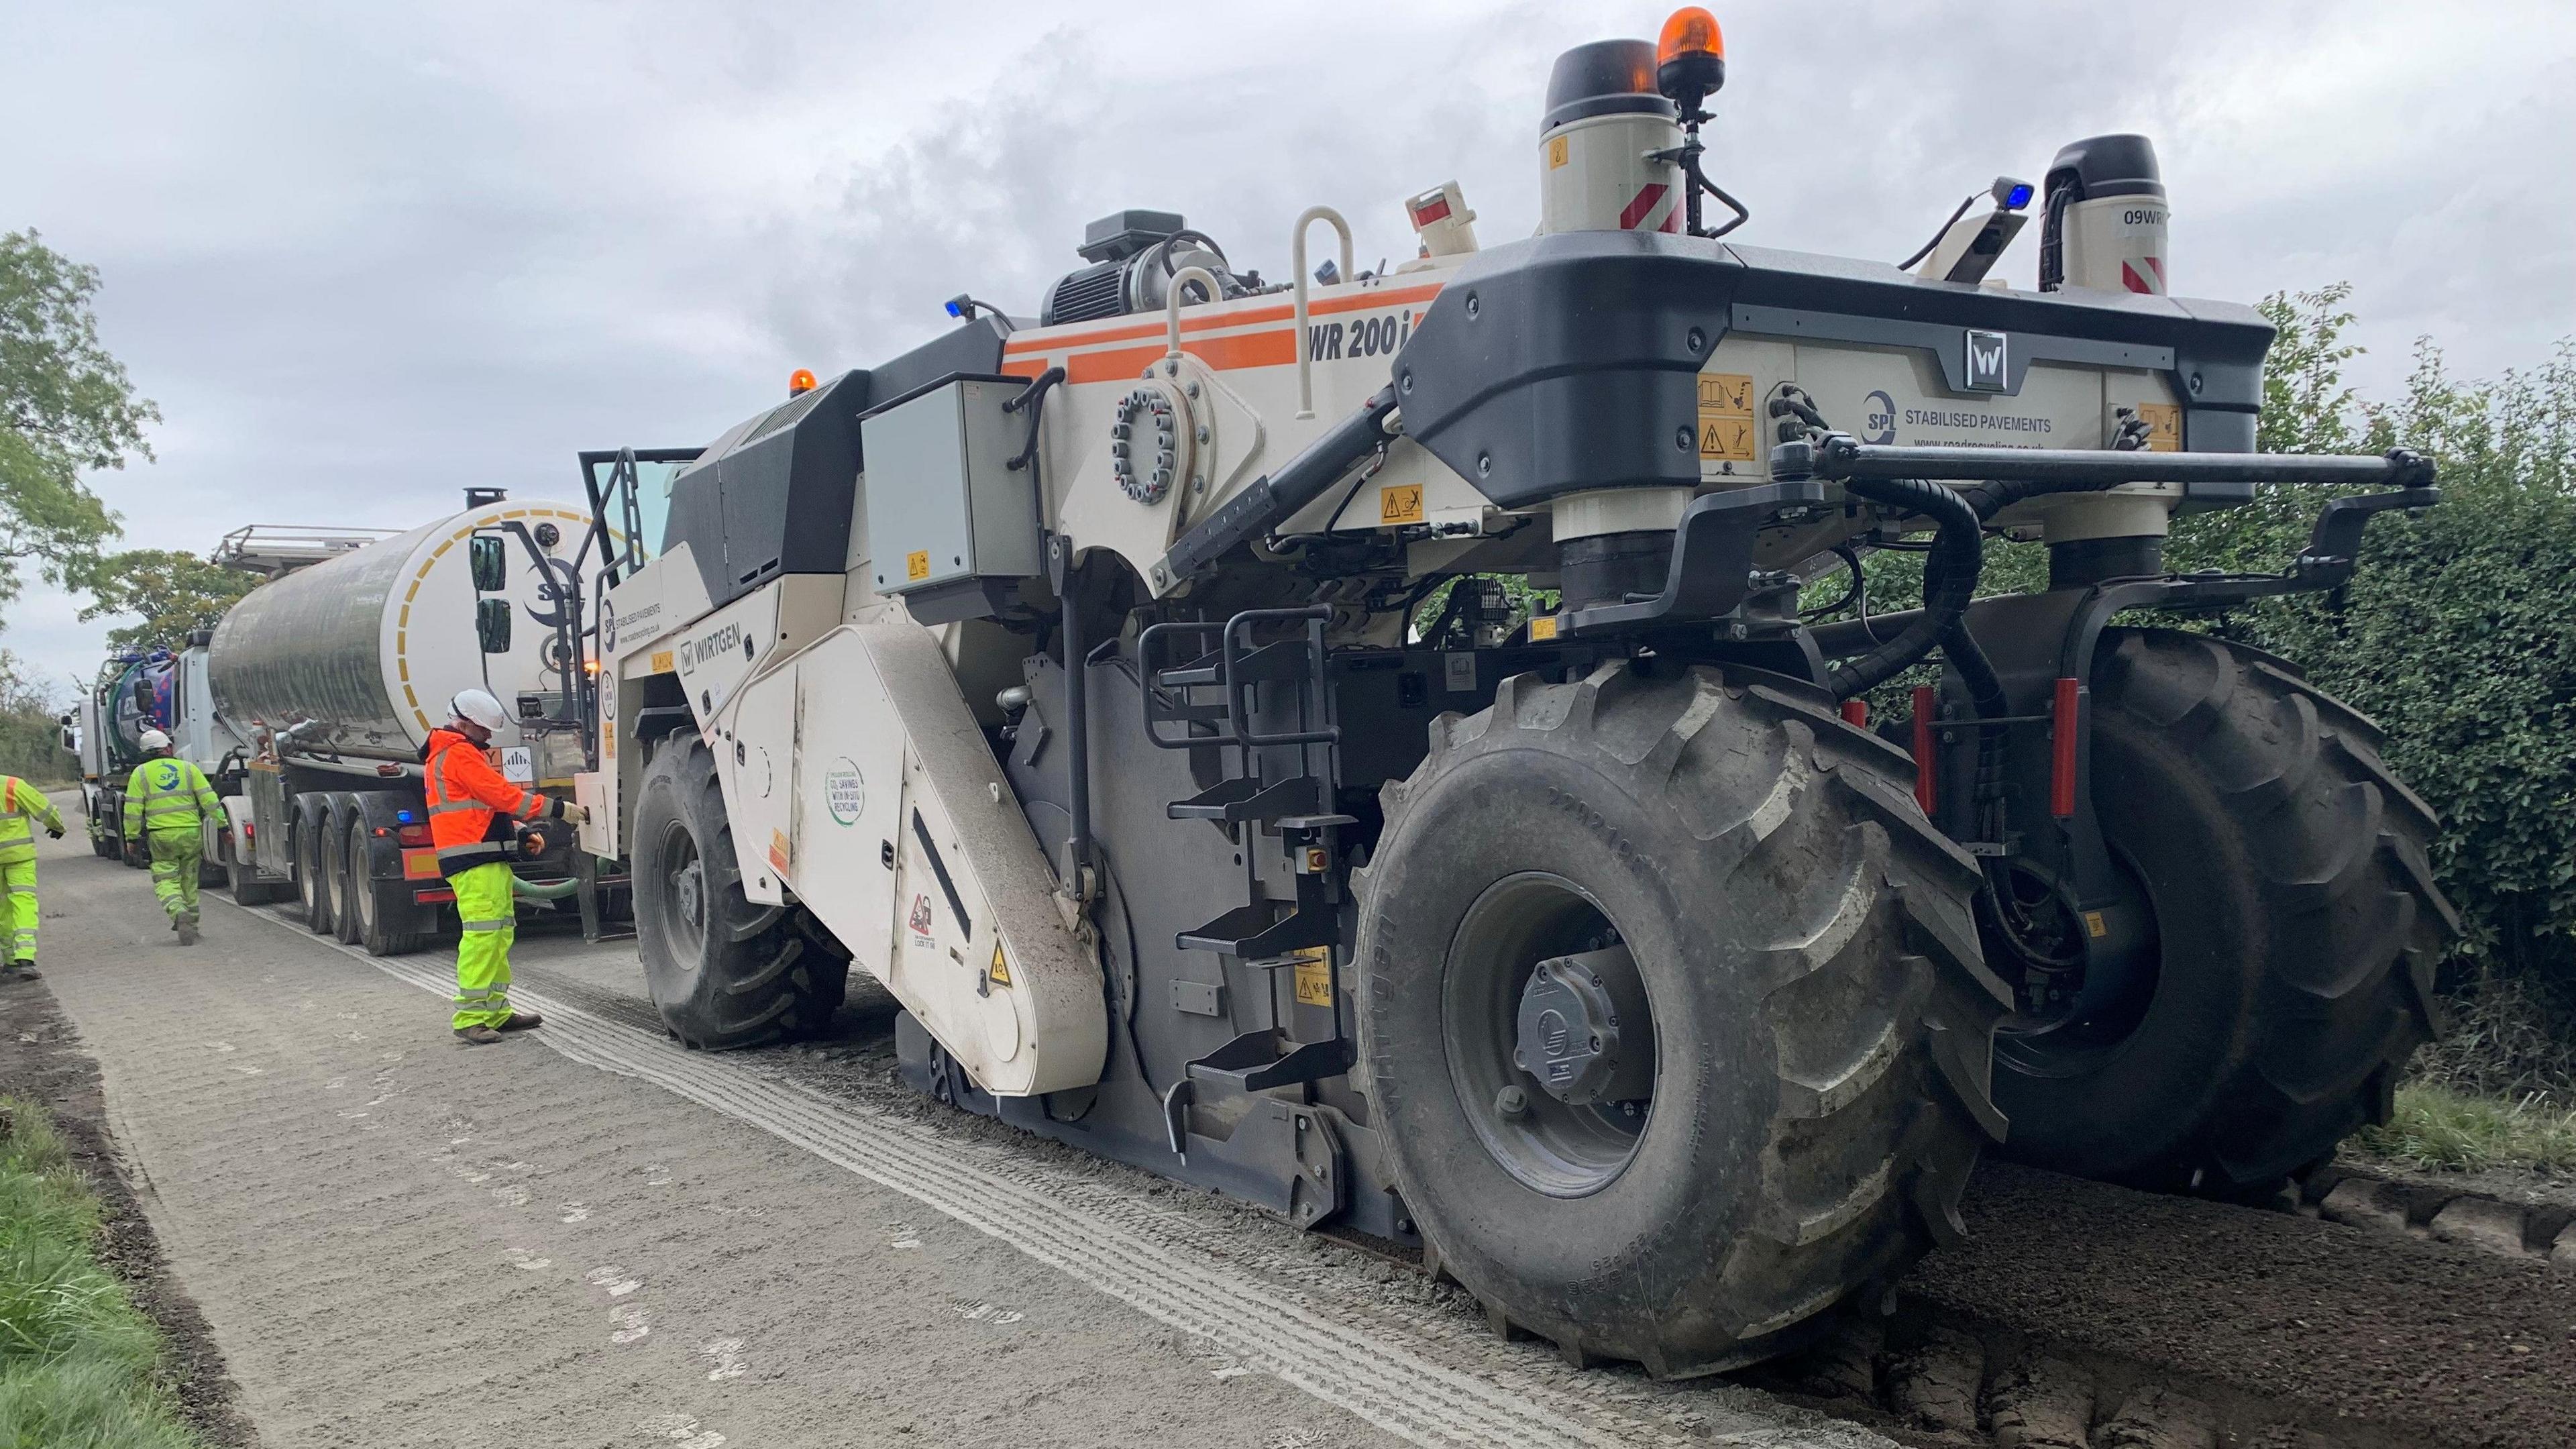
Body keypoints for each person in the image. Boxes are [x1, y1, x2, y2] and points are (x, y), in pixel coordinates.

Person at [426, 688, 585, 1044]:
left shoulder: (462, 753)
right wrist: (557, 810)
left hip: (485, 857)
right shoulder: (458, 754)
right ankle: (470, 1018)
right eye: (484, 730)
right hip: (473, 860)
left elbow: (484, 808)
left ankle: (495, 1011)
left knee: (499, 934)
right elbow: (500, 794)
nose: (488, 736)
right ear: (464, 723)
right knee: (484, 937)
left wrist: (520, 831)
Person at [123, 729, 221, 947]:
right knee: (190, 880)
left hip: (161, 837)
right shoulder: (188, 769)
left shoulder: (139, 774)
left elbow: (132, 810)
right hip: (190, 834)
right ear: (167, 749)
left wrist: (131, 838)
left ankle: (178, 911)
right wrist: (224, 827)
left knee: (165, 879)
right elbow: (210, 800)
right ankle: (192, 927)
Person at [0, 773, 66, 981]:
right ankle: (24, 959)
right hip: (19, 857)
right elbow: (43, 809)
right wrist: (57, 826)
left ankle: (11, 961)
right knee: (23, 902)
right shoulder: (11, 785)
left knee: (3, 908)